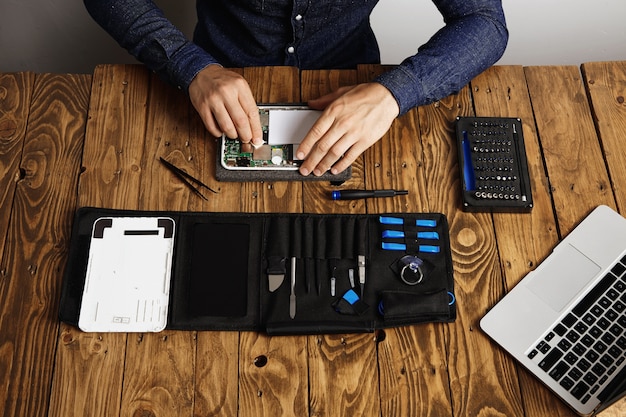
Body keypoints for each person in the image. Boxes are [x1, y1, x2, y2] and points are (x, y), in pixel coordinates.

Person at [84, 0, 508, 177]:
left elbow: (484, 23)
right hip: (207, 92)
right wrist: (188, 64)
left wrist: (395, 92)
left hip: (356, 95)